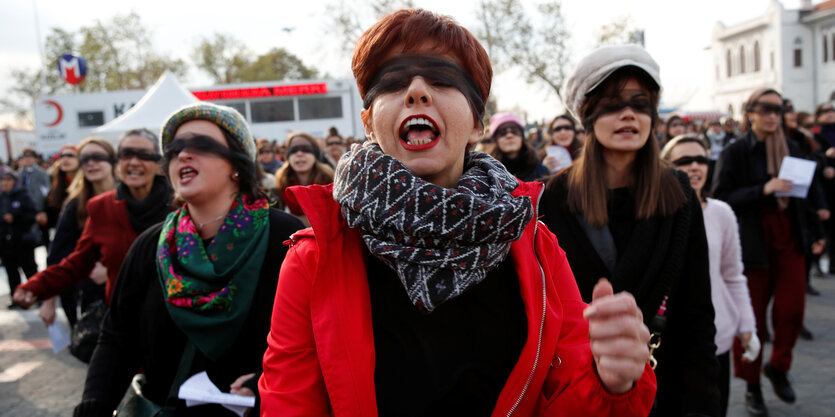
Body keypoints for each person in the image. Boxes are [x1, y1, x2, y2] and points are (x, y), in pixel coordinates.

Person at [259, 9, 657, 416]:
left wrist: (611, 383)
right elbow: (288, 403)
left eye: (443, 79)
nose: (416, 91)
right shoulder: (315, 258)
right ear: (368, 122)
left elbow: (566, 400)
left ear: (476, 124)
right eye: (393, 82)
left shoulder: (537, 249)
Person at [539, 44, 720, 416]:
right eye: (611, 102)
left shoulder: (680, 193)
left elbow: (697, 313)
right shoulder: (552, 198)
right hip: (581, 387)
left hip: (666, 382)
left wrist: (701, 404)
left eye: (640, 103)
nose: (628, 114)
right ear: (587, 114)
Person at [712, 88, 826, 416]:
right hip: (752, 244)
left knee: (791, 312)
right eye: (765, 109)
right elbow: (722, 197)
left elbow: (808, 194)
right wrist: (764, 189)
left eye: (779, 109)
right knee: (752, 323)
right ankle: (752, 387)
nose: (772, 115)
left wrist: (816, 234)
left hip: (790, 240)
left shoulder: (791, 147)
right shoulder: (735, 152)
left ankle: (778, 367)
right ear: (750, 112)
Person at [13, 128, 173, 308]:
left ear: (158, 163)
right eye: (127, 154)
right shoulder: (101, 207)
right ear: (118, 161)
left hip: (174, 319)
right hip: (123, 319)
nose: (134, 162)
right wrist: (36, 287)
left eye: (144, 155)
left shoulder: (180, 205)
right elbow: (76, 264)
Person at [661, 135, 758, 417]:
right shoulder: (656, 214)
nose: (695, 167)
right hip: (669, 339)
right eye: (684, 161)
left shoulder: (722, 213)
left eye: (701, 160)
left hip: (717, 337)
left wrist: (746, 323)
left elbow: (733, 274)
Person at [38, 138, 117, 328]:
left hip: (131, 289)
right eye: (85, 158)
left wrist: (115, 269)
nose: (91, 163)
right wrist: (49, 300)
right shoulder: (75, 205)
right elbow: (57, 254)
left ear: (112, 161)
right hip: (92, 294)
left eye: (97, 157)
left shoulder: (131, 196)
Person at [274, 132, 333, 225]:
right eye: (294, 150)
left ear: (315, 155)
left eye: (306, 149)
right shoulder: (279, 185)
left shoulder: (329, 181)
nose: (299, 154)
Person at [1, 169, 39, 309]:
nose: (5, 183)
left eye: (8, 180)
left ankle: (37, 294)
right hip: (6, 243)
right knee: (11, 272)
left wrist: (16, 217)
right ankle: (16, 298)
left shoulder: (23, 196)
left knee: (29, 269)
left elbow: (32, 214)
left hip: (23, 241)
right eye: (3, 180)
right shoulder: (2, 197)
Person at [487, 112, 549, 181]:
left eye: (515, 131)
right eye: (503, 133)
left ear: (522, 137)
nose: (509, 135)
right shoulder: (487, 171)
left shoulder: (540, 169)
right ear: (496, 140)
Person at [17, 148, 51, 247]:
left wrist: (44, 209)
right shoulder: (20, 173)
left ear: (35, 159)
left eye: (30, 157)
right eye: (25, 157)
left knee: (45, 237)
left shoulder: (42, 173)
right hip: (25, 210)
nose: (27, 159)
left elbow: (47, 192)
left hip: (40, 209)